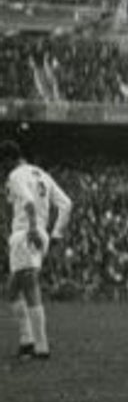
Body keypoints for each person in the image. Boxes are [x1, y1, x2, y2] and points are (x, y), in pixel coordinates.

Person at [3, 140, 72, 361]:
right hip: (39, 232)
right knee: (12, 290)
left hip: (26, 233)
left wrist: (32, 228)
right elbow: (66, 204)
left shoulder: (15, 176)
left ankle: (39, 346)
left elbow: (29, 202)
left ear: (7, 160)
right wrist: (56, 235)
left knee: (29, 287)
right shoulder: (42, 174)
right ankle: (27, 341)